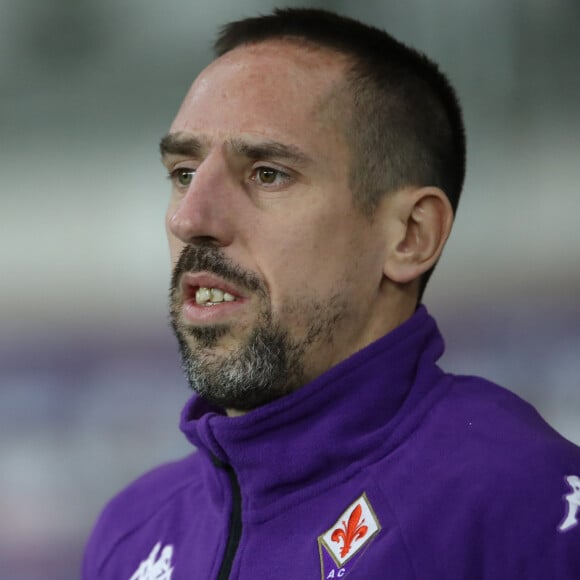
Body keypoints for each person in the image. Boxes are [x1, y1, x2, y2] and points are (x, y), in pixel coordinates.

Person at [83, 8, 580, 579]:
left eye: (267, 173)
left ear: (410, 236)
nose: (189, 218)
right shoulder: (133, 530)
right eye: (184, 172)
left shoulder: (517, 501)